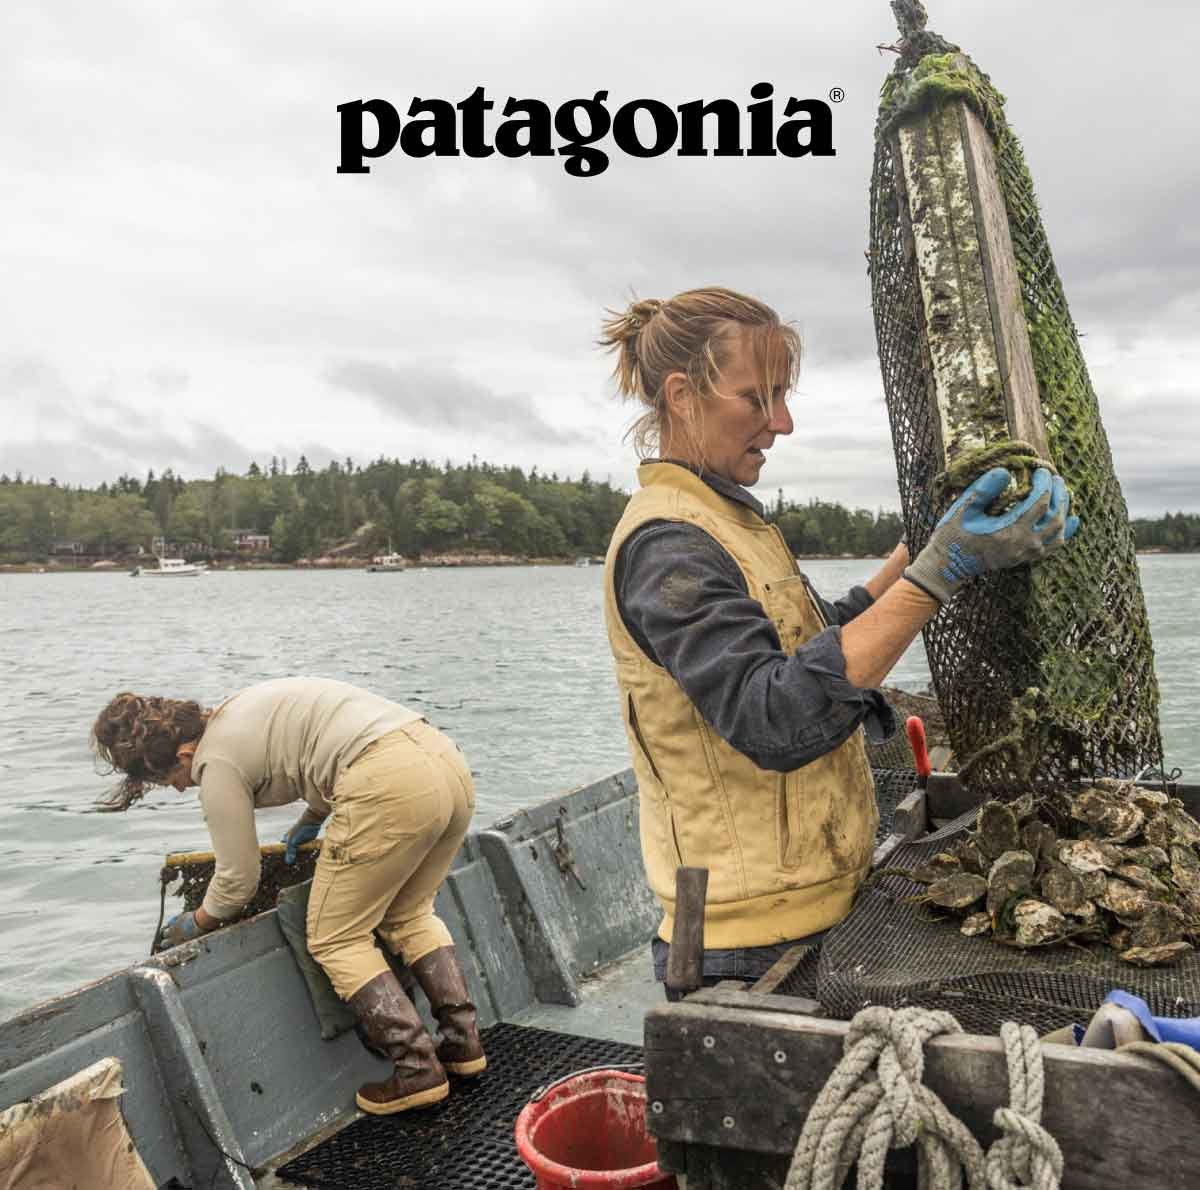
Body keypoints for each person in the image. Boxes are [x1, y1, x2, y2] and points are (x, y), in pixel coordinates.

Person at [598, 286, 1078, 997]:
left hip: (817, 908)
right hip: (747, 946)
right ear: (681, 394)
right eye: (756, 399)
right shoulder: (671, 545)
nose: (781, 423)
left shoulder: (729, 522)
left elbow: (830, 636)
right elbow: (777, 715)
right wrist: (940, 574)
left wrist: (921, 549)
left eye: (783, 397)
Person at [91, 676, 486, 1115]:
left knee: (335, 938)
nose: (183, 788)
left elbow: (238, 879)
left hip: (387, 783)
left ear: (185, 753)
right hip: (445, 762)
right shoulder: (239, 709)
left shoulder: (213, 762)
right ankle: (463, 1044)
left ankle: (417, 1070)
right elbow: (330, 743)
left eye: (172, 780)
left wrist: (197, 922)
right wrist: (314, 815)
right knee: (409, 914)